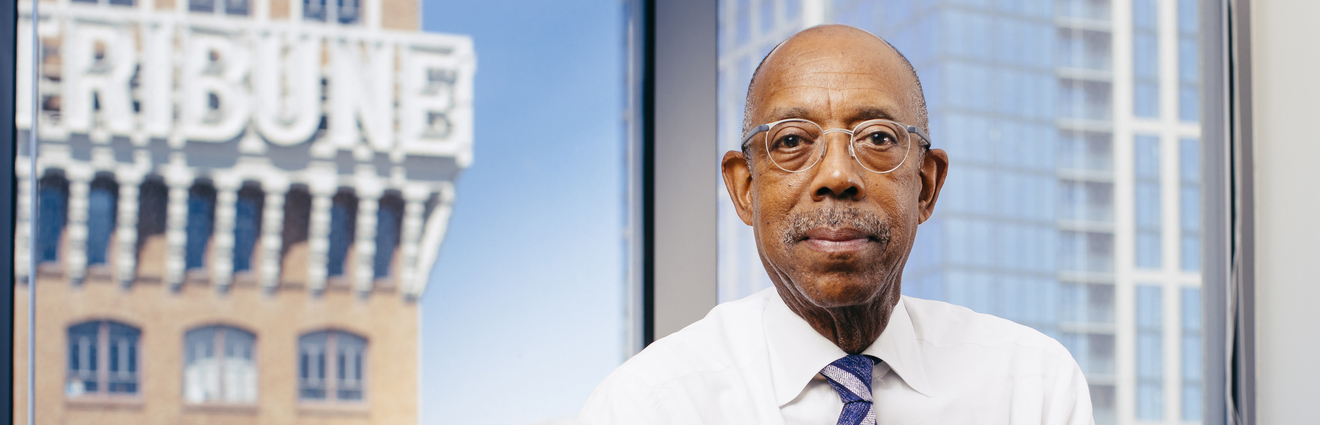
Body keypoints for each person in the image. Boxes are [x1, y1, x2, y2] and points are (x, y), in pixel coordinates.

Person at [578, 25, 1093, 425]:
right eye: (791, 141)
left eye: (876, 138)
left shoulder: (1030, 385)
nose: (838, 175)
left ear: (927, 184)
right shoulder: (651, 404)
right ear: (745, 188)